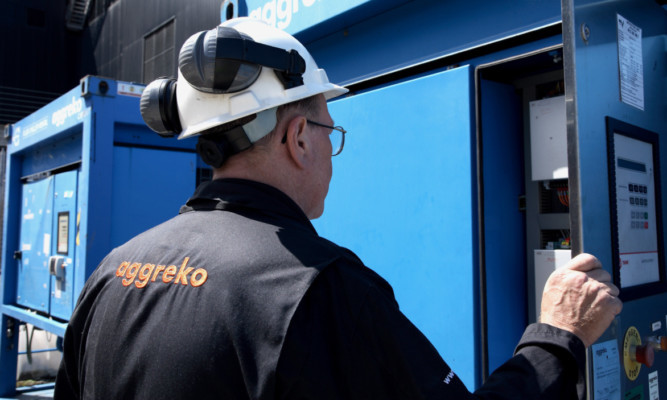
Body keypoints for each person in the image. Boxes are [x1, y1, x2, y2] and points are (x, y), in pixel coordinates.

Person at [55, 18, 622, 399]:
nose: (332, 150)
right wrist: (558, 336)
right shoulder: (318, 288)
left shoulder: (112, 274)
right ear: (299, 137)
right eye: (329, 129)